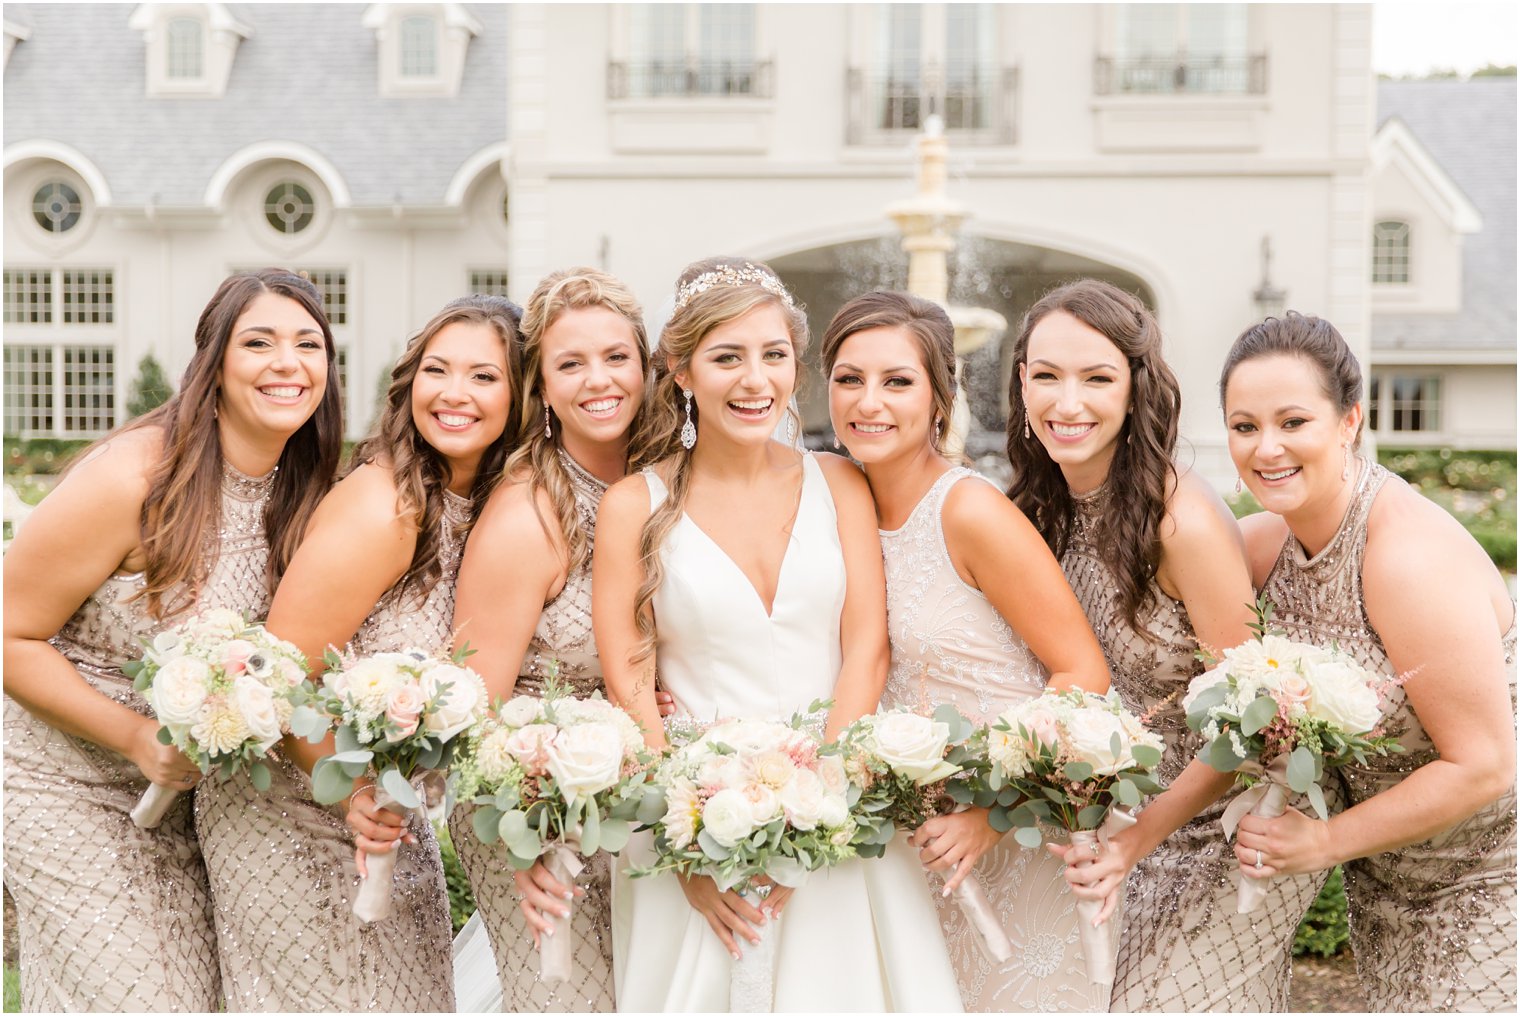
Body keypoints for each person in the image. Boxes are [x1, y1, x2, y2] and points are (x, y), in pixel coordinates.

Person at [594, 258, 963, 1011]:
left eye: (774, 355)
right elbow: (630, 679)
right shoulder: (634, 504)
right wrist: (684, 843)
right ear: (683, 372)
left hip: (840, 814)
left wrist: (823, 793)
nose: (754, 379)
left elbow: (867, 646)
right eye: (727, 357)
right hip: (695, 823)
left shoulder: (839, 482)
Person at [2, 269, 342, 1011]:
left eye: (308, 344)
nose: (288, 363)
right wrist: (132, 736)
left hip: (190, 797)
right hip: (64, 780)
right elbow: (11, 638)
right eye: (259, 342)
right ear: (214, 364)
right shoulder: (134, 478)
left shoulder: (308, 493)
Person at [194, 295, 522, 1011]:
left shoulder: (488, 509)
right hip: (292, 813)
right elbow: (282, 681)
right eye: (437, 370)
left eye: (485, 377)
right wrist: (351, 793)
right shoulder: (386, 505)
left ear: (522, 397)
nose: (454, 394)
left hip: (386, 816)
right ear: (409, 384)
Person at [1010, 280, 1321, 1010]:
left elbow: (1255, 720)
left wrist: (1135, 839)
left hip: (1230, 828)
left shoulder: (1178, 520)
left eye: (1097, 378)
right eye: (1047, 375)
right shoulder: (1036, 508)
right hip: (1118, 828)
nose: (1067, 402)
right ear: (1020, 379)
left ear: (1135, 387)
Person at [822, 290, 1114, 1011]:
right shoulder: (832, 503)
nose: (870, 401)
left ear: (941, 396)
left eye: (897, 381)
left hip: (1020, 837)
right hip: (912, 846)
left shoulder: (970, 511)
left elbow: (1083, 673)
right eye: (849, 379)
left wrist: (993, 812)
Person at [1221, 312, 1516, 1012]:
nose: (1267, 448)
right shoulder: (1264, 547)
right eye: (1243, 426)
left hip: (1492, 882)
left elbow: (1485, 764)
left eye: (1294, 422)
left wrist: (1323, 842)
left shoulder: (1406, 557)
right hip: (1386, 887)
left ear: (1350, 420)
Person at [448, 269, 650, 1012]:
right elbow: (469, 711)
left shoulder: (665, 484)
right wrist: (520, 844)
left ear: (646, 365)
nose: (599, 380)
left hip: (639, 806)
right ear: (542, 386)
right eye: (571, 363)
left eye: (616, 357)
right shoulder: (528, 514)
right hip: (533, 812)